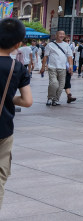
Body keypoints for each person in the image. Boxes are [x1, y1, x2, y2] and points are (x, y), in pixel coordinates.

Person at [0, 19, 33, 208]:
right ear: (18, 44)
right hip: (3, 129)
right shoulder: (17, 68)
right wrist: (9, 98)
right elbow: (27, 101)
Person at [43, 31, 73, 106]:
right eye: (60, 34)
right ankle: (50, 98)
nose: (62, 35)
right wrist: (43, 66)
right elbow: (45, 56)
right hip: (52, 67)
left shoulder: (66, 45)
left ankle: (56, 100)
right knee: (54, 84)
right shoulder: (50, 45)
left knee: (61, 86)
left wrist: (71, 66)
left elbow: (70, 56)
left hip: (63, 68)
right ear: (56, 35)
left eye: (63, 34)